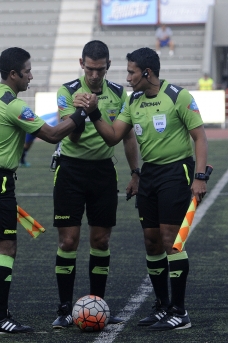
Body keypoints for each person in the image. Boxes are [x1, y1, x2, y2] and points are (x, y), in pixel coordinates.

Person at [77, 47, 208, 331]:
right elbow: (113, 136)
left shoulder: (178, 96)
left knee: (170, 239)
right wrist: (94, 111)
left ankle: (180, 311)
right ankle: (162, 306)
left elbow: (200, 136)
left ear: (147, 73)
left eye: (131, 72)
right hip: (149, 175)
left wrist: (199, 177)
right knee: (151, 241)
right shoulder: (133, 100)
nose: (127, 77)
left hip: (176, 172)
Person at [0, 47, 93, 335]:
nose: (31, 76)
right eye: (27, 71)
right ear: (13, 74)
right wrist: (83, 112)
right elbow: (51, 135)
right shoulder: (12, 105)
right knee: (5, 246)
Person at [51, 40, 139, 329]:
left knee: (101, 240)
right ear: (81, 64)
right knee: (68, 240)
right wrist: (81, 113)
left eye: (100, 70)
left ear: (108, 67)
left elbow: (125, 136)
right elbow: (70, 137)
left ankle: (97, 305)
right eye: (89, 69)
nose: (94, 75)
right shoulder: (67, 91)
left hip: (103, 172)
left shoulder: (118, 93)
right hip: (70, 171)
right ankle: (65, 308)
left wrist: (135, 172)